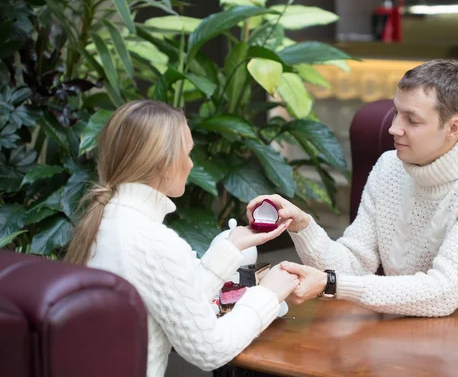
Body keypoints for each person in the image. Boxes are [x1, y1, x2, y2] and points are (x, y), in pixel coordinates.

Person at [248, 59, 458, 319]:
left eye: (411, 120)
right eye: (396, 112)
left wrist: (332, 284)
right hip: (409, 333)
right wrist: (302, 226)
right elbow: (352, 263)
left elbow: (443, 292)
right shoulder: (390, 166)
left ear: (453, 128)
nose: (394, 128)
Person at [65, 100, 299, 377]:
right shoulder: (152, 240)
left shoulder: (107, 220)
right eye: (187, 154)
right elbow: (209, 350)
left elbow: (175, 302)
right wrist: (268, 294)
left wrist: (232, 245)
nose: (190, 165)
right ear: (163, 163)